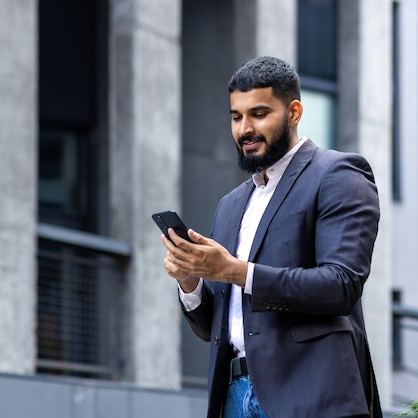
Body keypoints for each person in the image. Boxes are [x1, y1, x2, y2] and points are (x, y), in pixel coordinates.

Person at [160, 56, 382, 417]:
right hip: (233, 396)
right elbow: (214, 328)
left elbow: (341, 285)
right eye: (236, 117)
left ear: (294, 112)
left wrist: (235, 271)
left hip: (312, 395)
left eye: (259, 114)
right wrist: (190, 279)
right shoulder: (230, 205)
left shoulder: (338, 174)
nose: (244, 128)